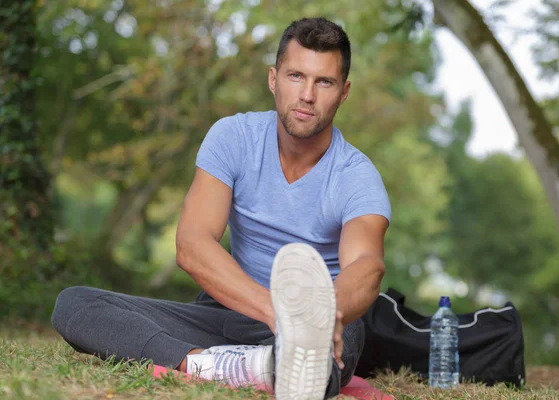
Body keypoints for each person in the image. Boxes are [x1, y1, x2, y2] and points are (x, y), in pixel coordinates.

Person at [51, 17, 391, 399]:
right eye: (296, 76)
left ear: (343, 92)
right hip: (230, 311)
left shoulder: (357, 175)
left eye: (324, 82)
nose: (307, 95)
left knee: (333, 347)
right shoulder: (233, 137)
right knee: (76, 304)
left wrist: (317, 318)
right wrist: (277, 314)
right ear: (273, 79)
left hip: (319, 328)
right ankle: (226, 365)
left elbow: (366, 267)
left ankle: (275, 365)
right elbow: (192, 244)